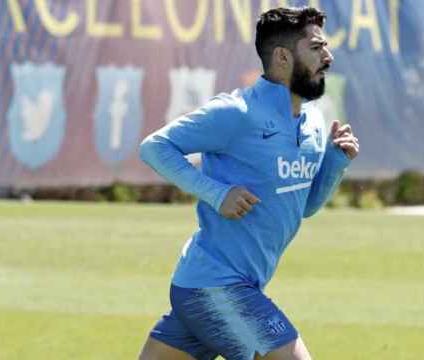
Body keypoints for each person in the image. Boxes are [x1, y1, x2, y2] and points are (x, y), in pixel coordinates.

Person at [138, 6, 359, 360]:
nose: (328, 57)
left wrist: (334, 163)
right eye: (316, 48)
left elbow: (304, 207)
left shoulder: (315, 124)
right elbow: (155, 147)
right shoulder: (236, 112)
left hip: (213, 286)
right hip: (215, 286)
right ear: (283, 57)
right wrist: (217, 193)